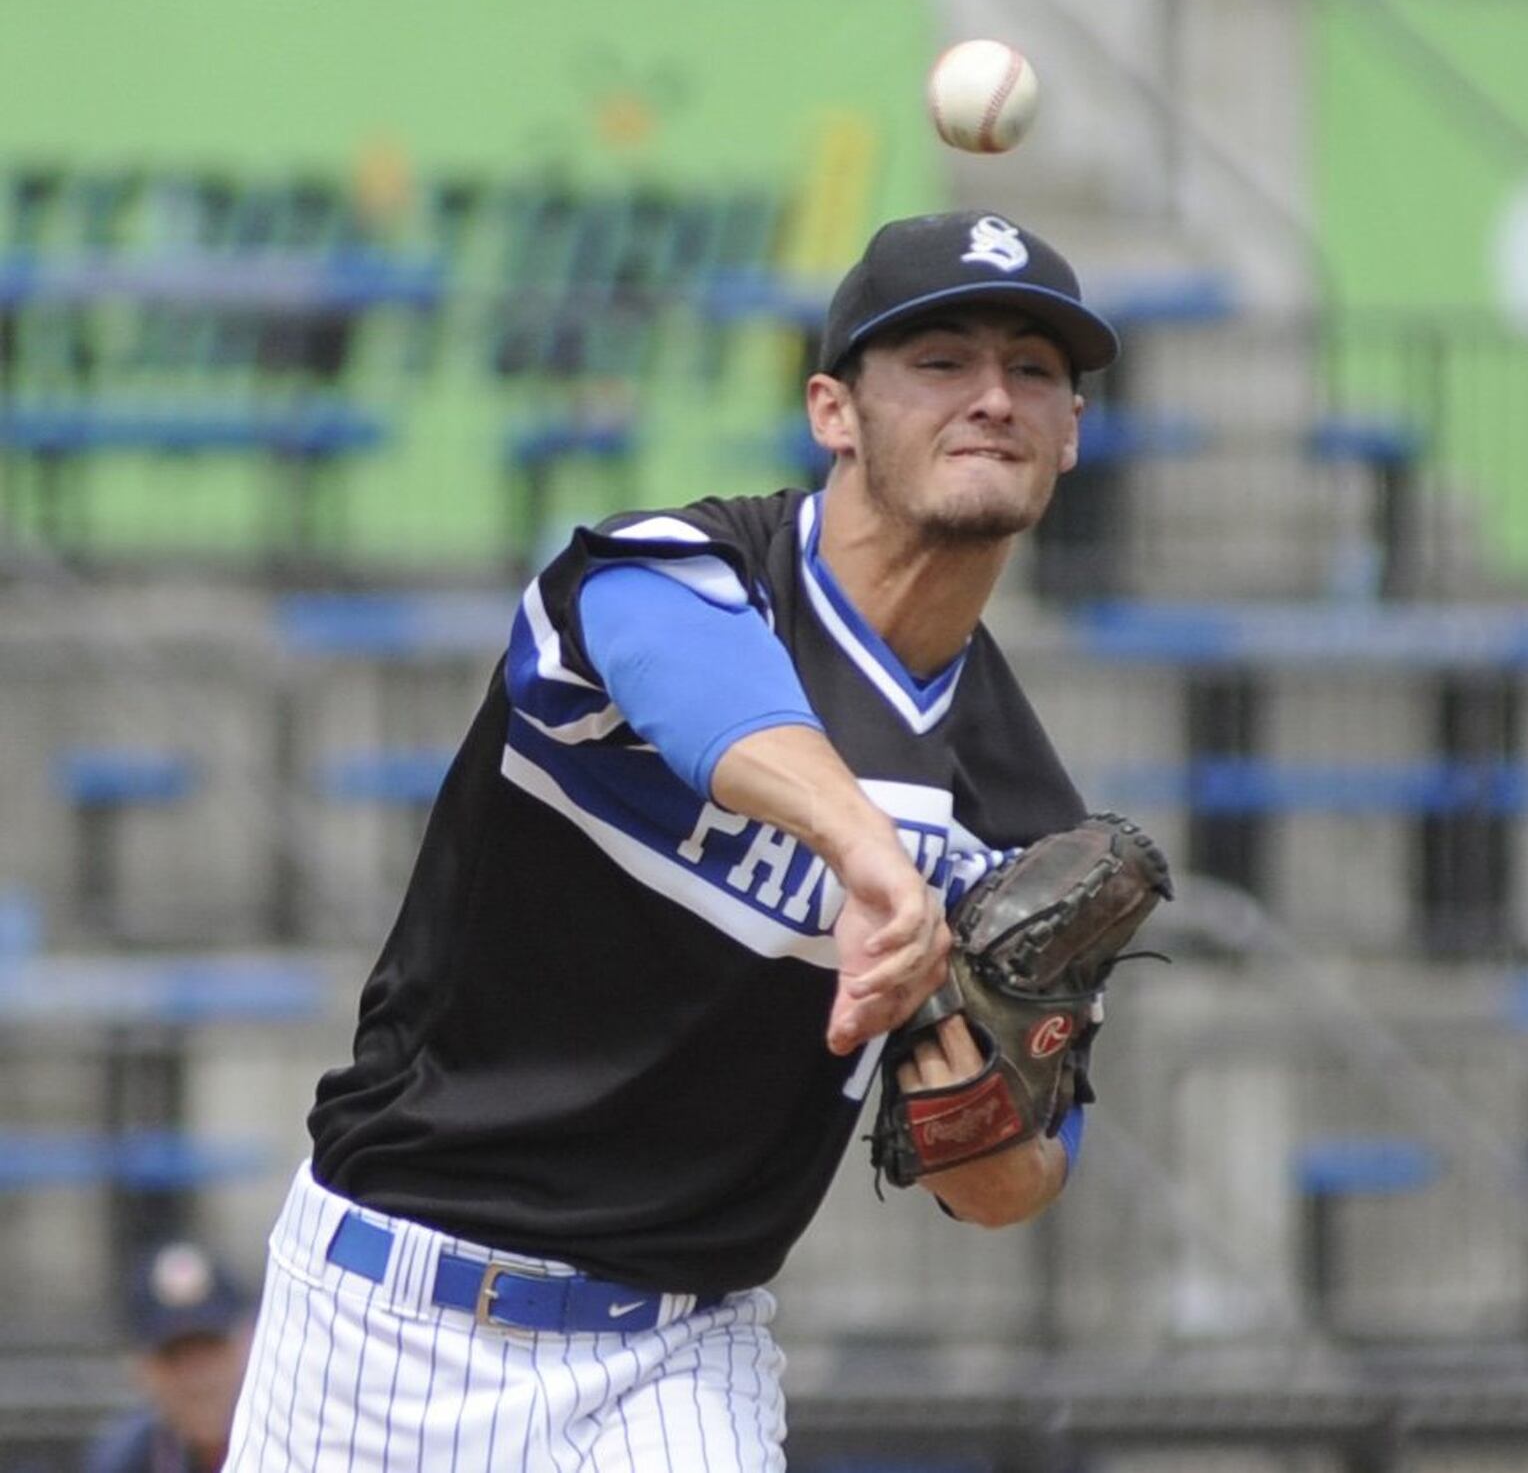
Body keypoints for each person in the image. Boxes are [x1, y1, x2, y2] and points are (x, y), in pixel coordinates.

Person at [222, 209, 1120, 1472]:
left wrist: (979, 1113)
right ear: (832, 411)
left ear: (1072, 433)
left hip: (682, 1354)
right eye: (939, 361)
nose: (993, 397)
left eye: (1035, 369)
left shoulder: (1021, 817)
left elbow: (1014, 1186)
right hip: (395, 1320)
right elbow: (693, 687)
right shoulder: (671, 573)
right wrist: (871, 858)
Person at [86, 1239, 252, 1473]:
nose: (198, 1379)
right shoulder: (126, 1460)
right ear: (141, 1369)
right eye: (173, 1357)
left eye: (211, 1349)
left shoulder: (299, 1437)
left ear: (247, 1345)